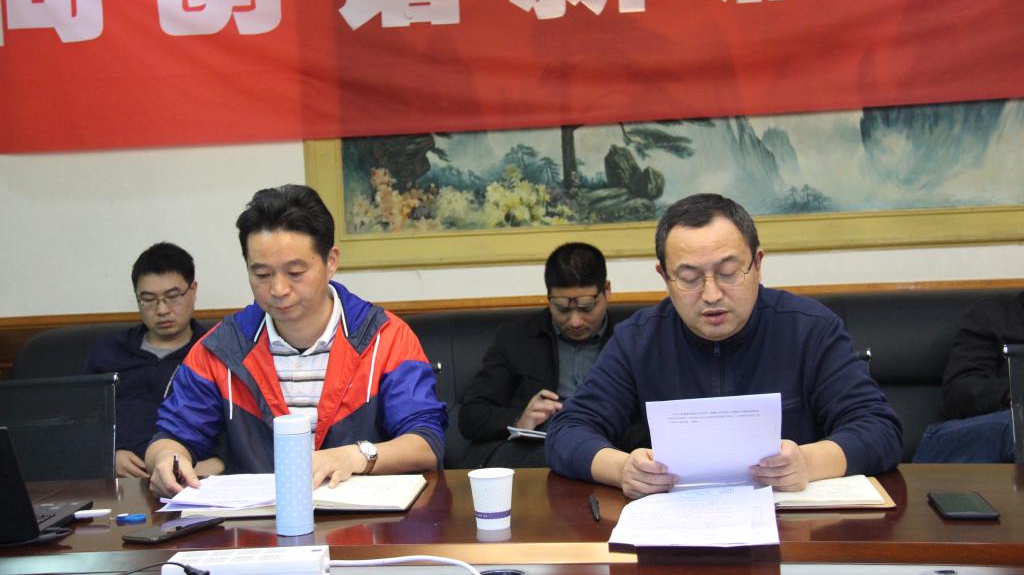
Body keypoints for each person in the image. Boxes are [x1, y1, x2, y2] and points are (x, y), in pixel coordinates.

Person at [546, 193, 902, 498]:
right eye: (689, 278)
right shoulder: (638, 341)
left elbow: (879, 429)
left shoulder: (809, 329)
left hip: (791, 528)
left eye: (729, 273)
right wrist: (623, 469)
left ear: (757, 265)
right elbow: (567, 432)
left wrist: (807, 463)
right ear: (665, 277)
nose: (712, 294)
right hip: (675, 528)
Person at [146, 185, 446, 498]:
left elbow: (426, 443)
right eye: (262, 275)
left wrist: (355, 456)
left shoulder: (384, 337)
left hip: (366, 519)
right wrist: (167, 458)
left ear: (331, 261)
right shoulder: (223, 347)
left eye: (295, 272)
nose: (278, 289)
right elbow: (170, 436)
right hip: (257, 520)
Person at [458, 242, 639, 467]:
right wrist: (519, 420)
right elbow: (472, 415)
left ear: (607, 290)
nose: (575, 321)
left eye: (586, 307)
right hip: (538, 458)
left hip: (614, 454)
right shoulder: (516, 338)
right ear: (548, 297)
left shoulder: (634, 337)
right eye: (562, 308)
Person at [82, 242, 221, 479]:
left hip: (195, 478)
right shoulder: (109, 352)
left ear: (193, 290)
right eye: (148, 299)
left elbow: (239, 425)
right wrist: (107, 456)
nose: (162, 310)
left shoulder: (215, 351)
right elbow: (83, 419)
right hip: (121, 480)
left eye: (173, 297)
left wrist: (215, 464)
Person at [912, 291, 1024, 462]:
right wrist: (1016, 392)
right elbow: (960, 392)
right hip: (965, 438)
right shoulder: (992, 315)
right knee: (1017, 424)